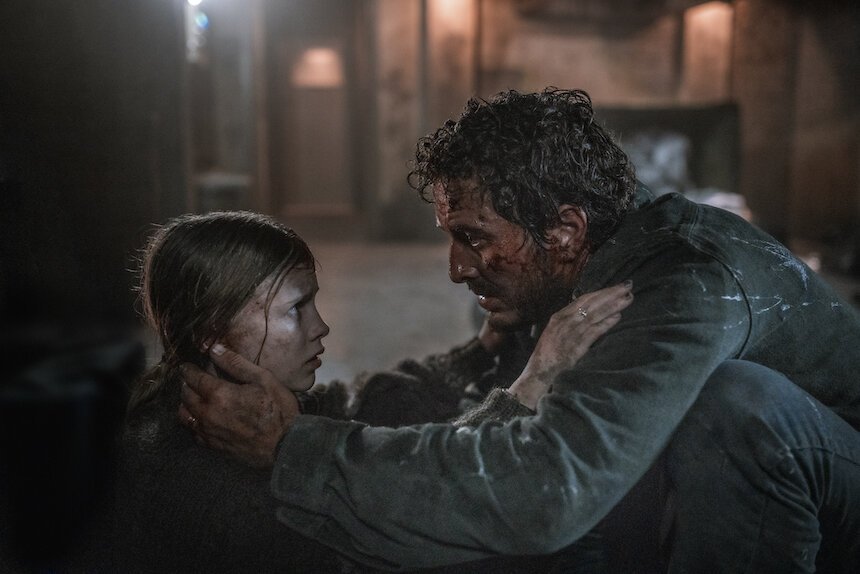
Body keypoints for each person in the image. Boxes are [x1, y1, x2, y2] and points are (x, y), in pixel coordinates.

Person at [180, 89, 860, 572]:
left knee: (737, 407)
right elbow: (458, 403)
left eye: (474, 238)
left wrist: (296, 451)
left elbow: (546, 491)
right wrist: (323, 418)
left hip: (840, 490)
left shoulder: (681, 285)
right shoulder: (569, 272)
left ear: (564, 229)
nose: (455, 268)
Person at [105, 210, 629, 574]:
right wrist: (531, 383)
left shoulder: (204, 398)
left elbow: (361, 401)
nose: (321, 327)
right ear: (211, 332)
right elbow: (417, 511)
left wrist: (480, 350)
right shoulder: (207, 482)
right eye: (296, 310)